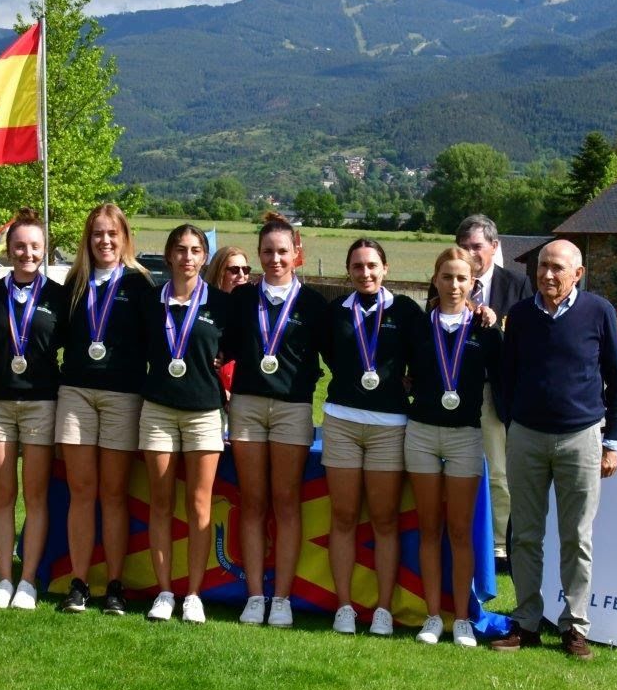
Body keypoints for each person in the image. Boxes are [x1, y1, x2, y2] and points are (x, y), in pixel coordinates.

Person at [492, 239, 617, 660]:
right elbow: (506, 374)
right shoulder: (522, 316)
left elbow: (615, 379)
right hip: (527, 437)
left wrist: (612, 442)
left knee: (577, 537)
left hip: (581, 437)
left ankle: (574, 627)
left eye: (558, 268)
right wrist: (513, 419)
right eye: (543, 266)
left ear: (578, 274)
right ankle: (527, 621)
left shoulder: (599, 312)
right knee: (526, 536)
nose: (548, 275)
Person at [224, 214, 327, 628]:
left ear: (296, 253)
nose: (275, 259)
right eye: (267, 251)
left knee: (285, 503)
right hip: (246, 407)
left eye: (282, 251)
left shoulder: (315, 305)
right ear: (259, 254)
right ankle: (253, 595)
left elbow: (343, 353)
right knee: (251, 502)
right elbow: (220, 345)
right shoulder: (242, 300)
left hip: (292, 409)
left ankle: (281, 597)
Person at [55, 203, 153, 615]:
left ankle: (114, 584)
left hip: (122, 396)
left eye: (112, 234)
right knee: (82, 492)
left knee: (114, 494)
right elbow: (54, 336)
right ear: (87, 239)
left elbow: (158, 343)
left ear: (125, 238)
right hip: (76, 394)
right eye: (97, 233)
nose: (105, 241)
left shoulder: (140, 284)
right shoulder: (74, 281)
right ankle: (79, 582)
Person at [321, 239, 422, 636]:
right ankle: (344, 606)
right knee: (343, 518)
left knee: (384, 521)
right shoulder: (335, 313)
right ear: (348, 270)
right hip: (342, 421)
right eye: (358, 266)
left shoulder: (406, 311)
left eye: (372, 265)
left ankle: (382, 609)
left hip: (389, 426)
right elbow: (329, 355)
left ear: (386, 267)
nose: (365, 273)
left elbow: (423, 355)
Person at [406, 247, 499, 648]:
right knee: (429, 529)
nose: (454, 285)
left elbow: (505, 373)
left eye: (462, 278)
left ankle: (461, 618)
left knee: (460, 531)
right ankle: (431, 616)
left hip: (465, 435)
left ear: (473, 283)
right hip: (422, 433)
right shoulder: (416, 325)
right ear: (435, 279)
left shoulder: (483, 328)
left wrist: (495, 323)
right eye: (447, 277)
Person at [139, 224, 231, 624]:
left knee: (198, 505)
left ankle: (193, 593)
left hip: (204, 413)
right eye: (180, 249)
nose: (187, 257)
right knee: (160, 503)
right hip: (157, 409)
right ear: (168, 255)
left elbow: (236, 351)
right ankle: (164, 591)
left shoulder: (223, 305)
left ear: (204, 257)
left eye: (195, 250)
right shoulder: (148, 301)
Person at [0, 209, 65, 611]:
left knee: (35, 496)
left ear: (44, 249)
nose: (26, 253)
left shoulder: (59, 296)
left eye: (34, 246)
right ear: (8, 249)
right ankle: (3, 579)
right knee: (2, 495)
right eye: (19, 246)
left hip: (41, 404)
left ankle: (28, 580)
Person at [434, 215, 530, 570]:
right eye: (466, 246)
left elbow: (524, 343)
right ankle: (455, 534)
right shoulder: (448, 279)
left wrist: (493, 326)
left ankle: (500, 546)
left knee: (497, 471)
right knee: (453, 467)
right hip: (453, 389)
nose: (471, 254)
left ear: (494, 246)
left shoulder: (517, 285)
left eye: (478, 246)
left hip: (495, 393)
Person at [203, 245, 250, 397]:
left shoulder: (253, 309)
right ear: (219, 272)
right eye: (235, 270)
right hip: (212, 389)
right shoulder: (204, 308)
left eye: (246, 269)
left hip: (246, 394)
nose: (241, 275)